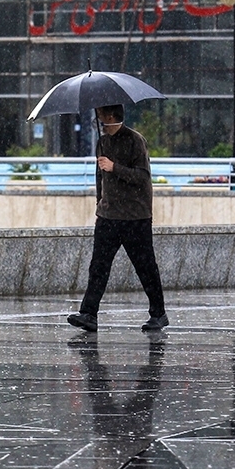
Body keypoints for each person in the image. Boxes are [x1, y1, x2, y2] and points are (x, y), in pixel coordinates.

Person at [67, 104, 168, 332]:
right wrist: (99, 203)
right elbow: (99, 178)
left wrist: (115, 167)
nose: (99, 120)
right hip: (108, 216)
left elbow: (142, 176)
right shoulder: (102, 143)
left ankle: (158, 313)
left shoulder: (135, 140)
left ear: (111, 116)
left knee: (145, 266)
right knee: (99, 266)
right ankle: (89, 313)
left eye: (102, 115)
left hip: (135, 217)